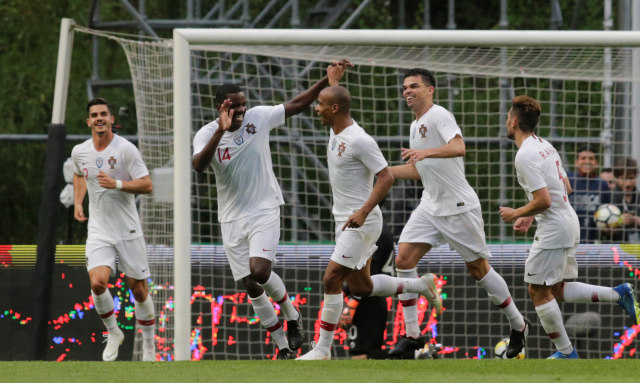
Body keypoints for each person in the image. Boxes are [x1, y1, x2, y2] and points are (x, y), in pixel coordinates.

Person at [192, 60, 353, 359]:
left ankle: (293, 316)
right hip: (230, 218)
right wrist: (220, 132)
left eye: (243, 106)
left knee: (260, 270)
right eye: (233, 107)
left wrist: (326, 81)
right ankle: (283, 349)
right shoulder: (206, 135)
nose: (241, 111)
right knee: (250, 285)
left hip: (264, 208)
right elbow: (199, 166)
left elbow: (297, 104)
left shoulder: (259, 118)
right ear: (220, 107)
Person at [386, 68, 528, 359]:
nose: (407, 92)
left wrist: (427, 153)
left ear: (430, 90)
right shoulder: (415, 126)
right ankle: (412, 336)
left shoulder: (439, 115)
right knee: (403, 260)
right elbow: (417, 170)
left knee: (479, 270)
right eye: (404, 88)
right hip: (430, 204)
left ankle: (518, 324)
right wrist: (382, 172)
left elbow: (458, 147)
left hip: (458, 206)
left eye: (414, 86)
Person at [296, 85, 441, 360]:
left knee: (331, 278)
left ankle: (322, 350)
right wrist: (333, 78)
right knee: (362, 287)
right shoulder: (335, 129)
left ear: (335, 109)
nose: (316, 108)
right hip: (345, 221)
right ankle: (420, 285)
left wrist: (362, 212)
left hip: (361, 223)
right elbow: (335, 97)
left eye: (321, 104)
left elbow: (385, 176)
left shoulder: (359, 140)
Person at [499, 95, 640, 359]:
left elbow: (543, 199)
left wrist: (517, 212)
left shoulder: (524, 155)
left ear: (514, 121)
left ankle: (566, 352)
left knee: (537, 290)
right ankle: (619, 294)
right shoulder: (546, 146)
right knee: (556, 289)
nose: (507, 122)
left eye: (508, 117)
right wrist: (532, 215)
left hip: (554, 228)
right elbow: (567, 187)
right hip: (567, 221)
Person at [71, 98, 156, 362]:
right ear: (88, 121)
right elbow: (78, 174)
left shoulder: (126, 149)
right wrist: (78, 202)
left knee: (138, 289)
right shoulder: (80, 151)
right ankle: (114, 332)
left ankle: (150, 347)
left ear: (111, 120)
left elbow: (147, 185)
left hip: (128, 229)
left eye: (103, 114)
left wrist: (118, 184)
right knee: (97, 283)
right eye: (94, 114)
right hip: (99, 230)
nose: (99, 118)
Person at [339, 222, 395, 360]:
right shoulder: (381, 229)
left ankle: (414, 354)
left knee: (360, 355)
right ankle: (415, 354)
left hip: (367, 299)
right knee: (368, 353)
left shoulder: (375, 231)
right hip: (373, 297)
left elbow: (369, 275)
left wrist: (352, 302)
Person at [566, 146, 612, 243]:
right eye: (583, 158)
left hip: (592, 241)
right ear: (576, 162)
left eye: (591, 159)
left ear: (597, 163)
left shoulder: (602, 185)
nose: (587, 161)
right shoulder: (568, 180)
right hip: (567, 238)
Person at [604, 157, 640, 243]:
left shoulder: (638, 197)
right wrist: (618, 221)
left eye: (631, 178)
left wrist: (637, 221)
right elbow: (601, 229)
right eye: (623, 179)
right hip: (616, 249)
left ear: (636, 175)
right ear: (616, 178)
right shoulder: (608, 198)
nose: (628, 183)